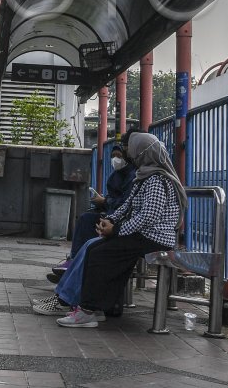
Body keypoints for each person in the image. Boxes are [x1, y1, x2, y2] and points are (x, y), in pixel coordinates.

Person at [55, 131, 186, 328]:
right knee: (94, 247)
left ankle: (88, 310)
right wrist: (109, 220)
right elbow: (127, 206)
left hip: (155, 237)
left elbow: (148, 217)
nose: (130, 156)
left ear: (143, 154)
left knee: (101, 253)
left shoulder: (157, 180)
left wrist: (116, 230)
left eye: (134, 152)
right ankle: (96, 308)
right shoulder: (145, 177)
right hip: (143, 234)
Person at [51, 144, 135, 276]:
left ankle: (78, 264)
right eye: (113, 156)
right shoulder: (116, 175)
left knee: (89, 223)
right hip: (113, 213)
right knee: (86, 217)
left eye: (119, 156)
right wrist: (103, 202)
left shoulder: (132, 175)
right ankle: (74, 260)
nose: (115, 160)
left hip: (121, 219)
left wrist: (105, 202)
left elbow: (125, 204)